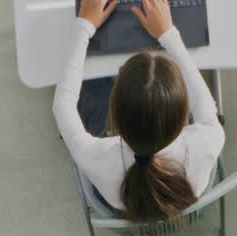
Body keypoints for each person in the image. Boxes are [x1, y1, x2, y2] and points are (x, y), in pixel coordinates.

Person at [53, 0, 224, 224]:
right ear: (185, 117)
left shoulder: (96, 155)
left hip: (115, 205)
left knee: (94, 85)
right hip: (182, 199)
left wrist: (85, 24)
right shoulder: (207, 139)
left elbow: (63, 104)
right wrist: (168, 34)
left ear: (113, 116)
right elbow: (205, 104)